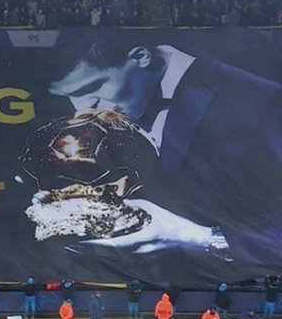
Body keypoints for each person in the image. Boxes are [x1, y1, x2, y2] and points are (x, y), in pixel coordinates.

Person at [50, 35, 282, 283]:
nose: (83, 109)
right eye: (72, 96)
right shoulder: (116, 111)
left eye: (91, 88)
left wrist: (199, 238)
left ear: (141, 57)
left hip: (235, 291)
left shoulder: (259, 101)